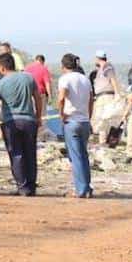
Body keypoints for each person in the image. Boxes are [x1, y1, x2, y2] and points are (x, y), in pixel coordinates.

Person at [0, 53, 38, 195]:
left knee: (16, 154)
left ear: (2, 68)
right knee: (30, 153)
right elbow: (37, 96)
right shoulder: (28, 78)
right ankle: (31, 185)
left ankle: (22, 186)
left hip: (11, 122)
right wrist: (38, 115)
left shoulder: (1, 84)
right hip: (29, 120)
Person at [58, 53, 94, 198]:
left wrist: (62, 114)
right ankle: (86, 187)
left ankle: (81, 189)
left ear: (63, 66)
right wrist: (88, 116)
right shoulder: (85, 79)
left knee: (76, 157)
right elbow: (91, 100)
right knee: (83, 155)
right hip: (84, 121)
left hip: (71, 121)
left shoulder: (65, 79)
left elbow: (61, 98)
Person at [90, 50, 123, 146]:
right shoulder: (103, 68)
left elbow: (112, 79)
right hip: (102, 96)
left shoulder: (107, 67)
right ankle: (103, 141)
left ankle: (104, 142)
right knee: (101, 120)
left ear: (97, 58)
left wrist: (117, 93)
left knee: (103, 120)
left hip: (106, 96)